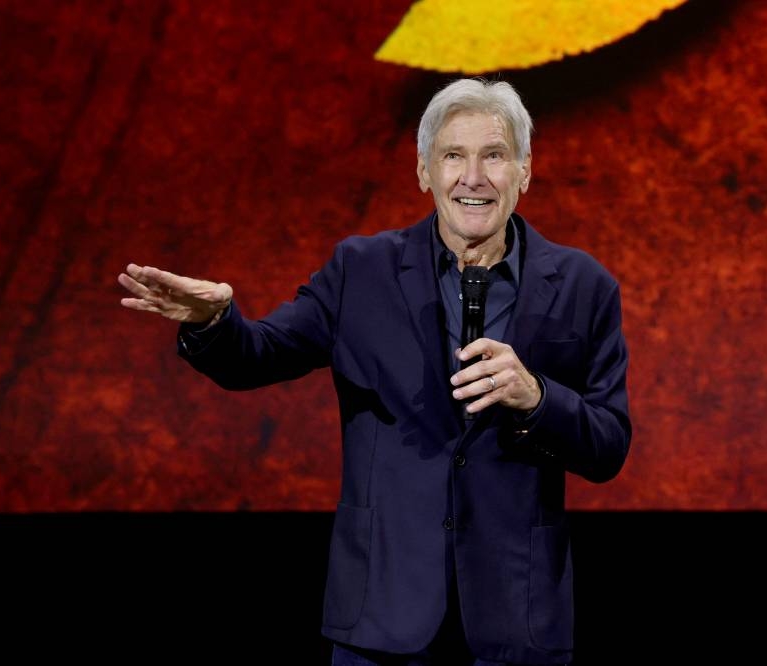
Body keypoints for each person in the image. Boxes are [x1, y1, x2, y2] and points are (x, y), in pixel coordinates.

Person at [118, 78, 631, 666]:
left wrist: (538, 397)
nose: (473, 177)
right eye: (452, 156)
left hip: (518, 620)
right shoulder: (361, 270)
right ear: (423, 172)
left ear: (525, 170)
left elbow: (609, 445)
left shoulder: (585, 286)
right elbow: (258, 354)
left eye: (493, 155)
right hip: (382, 618)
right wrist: (214, 323)